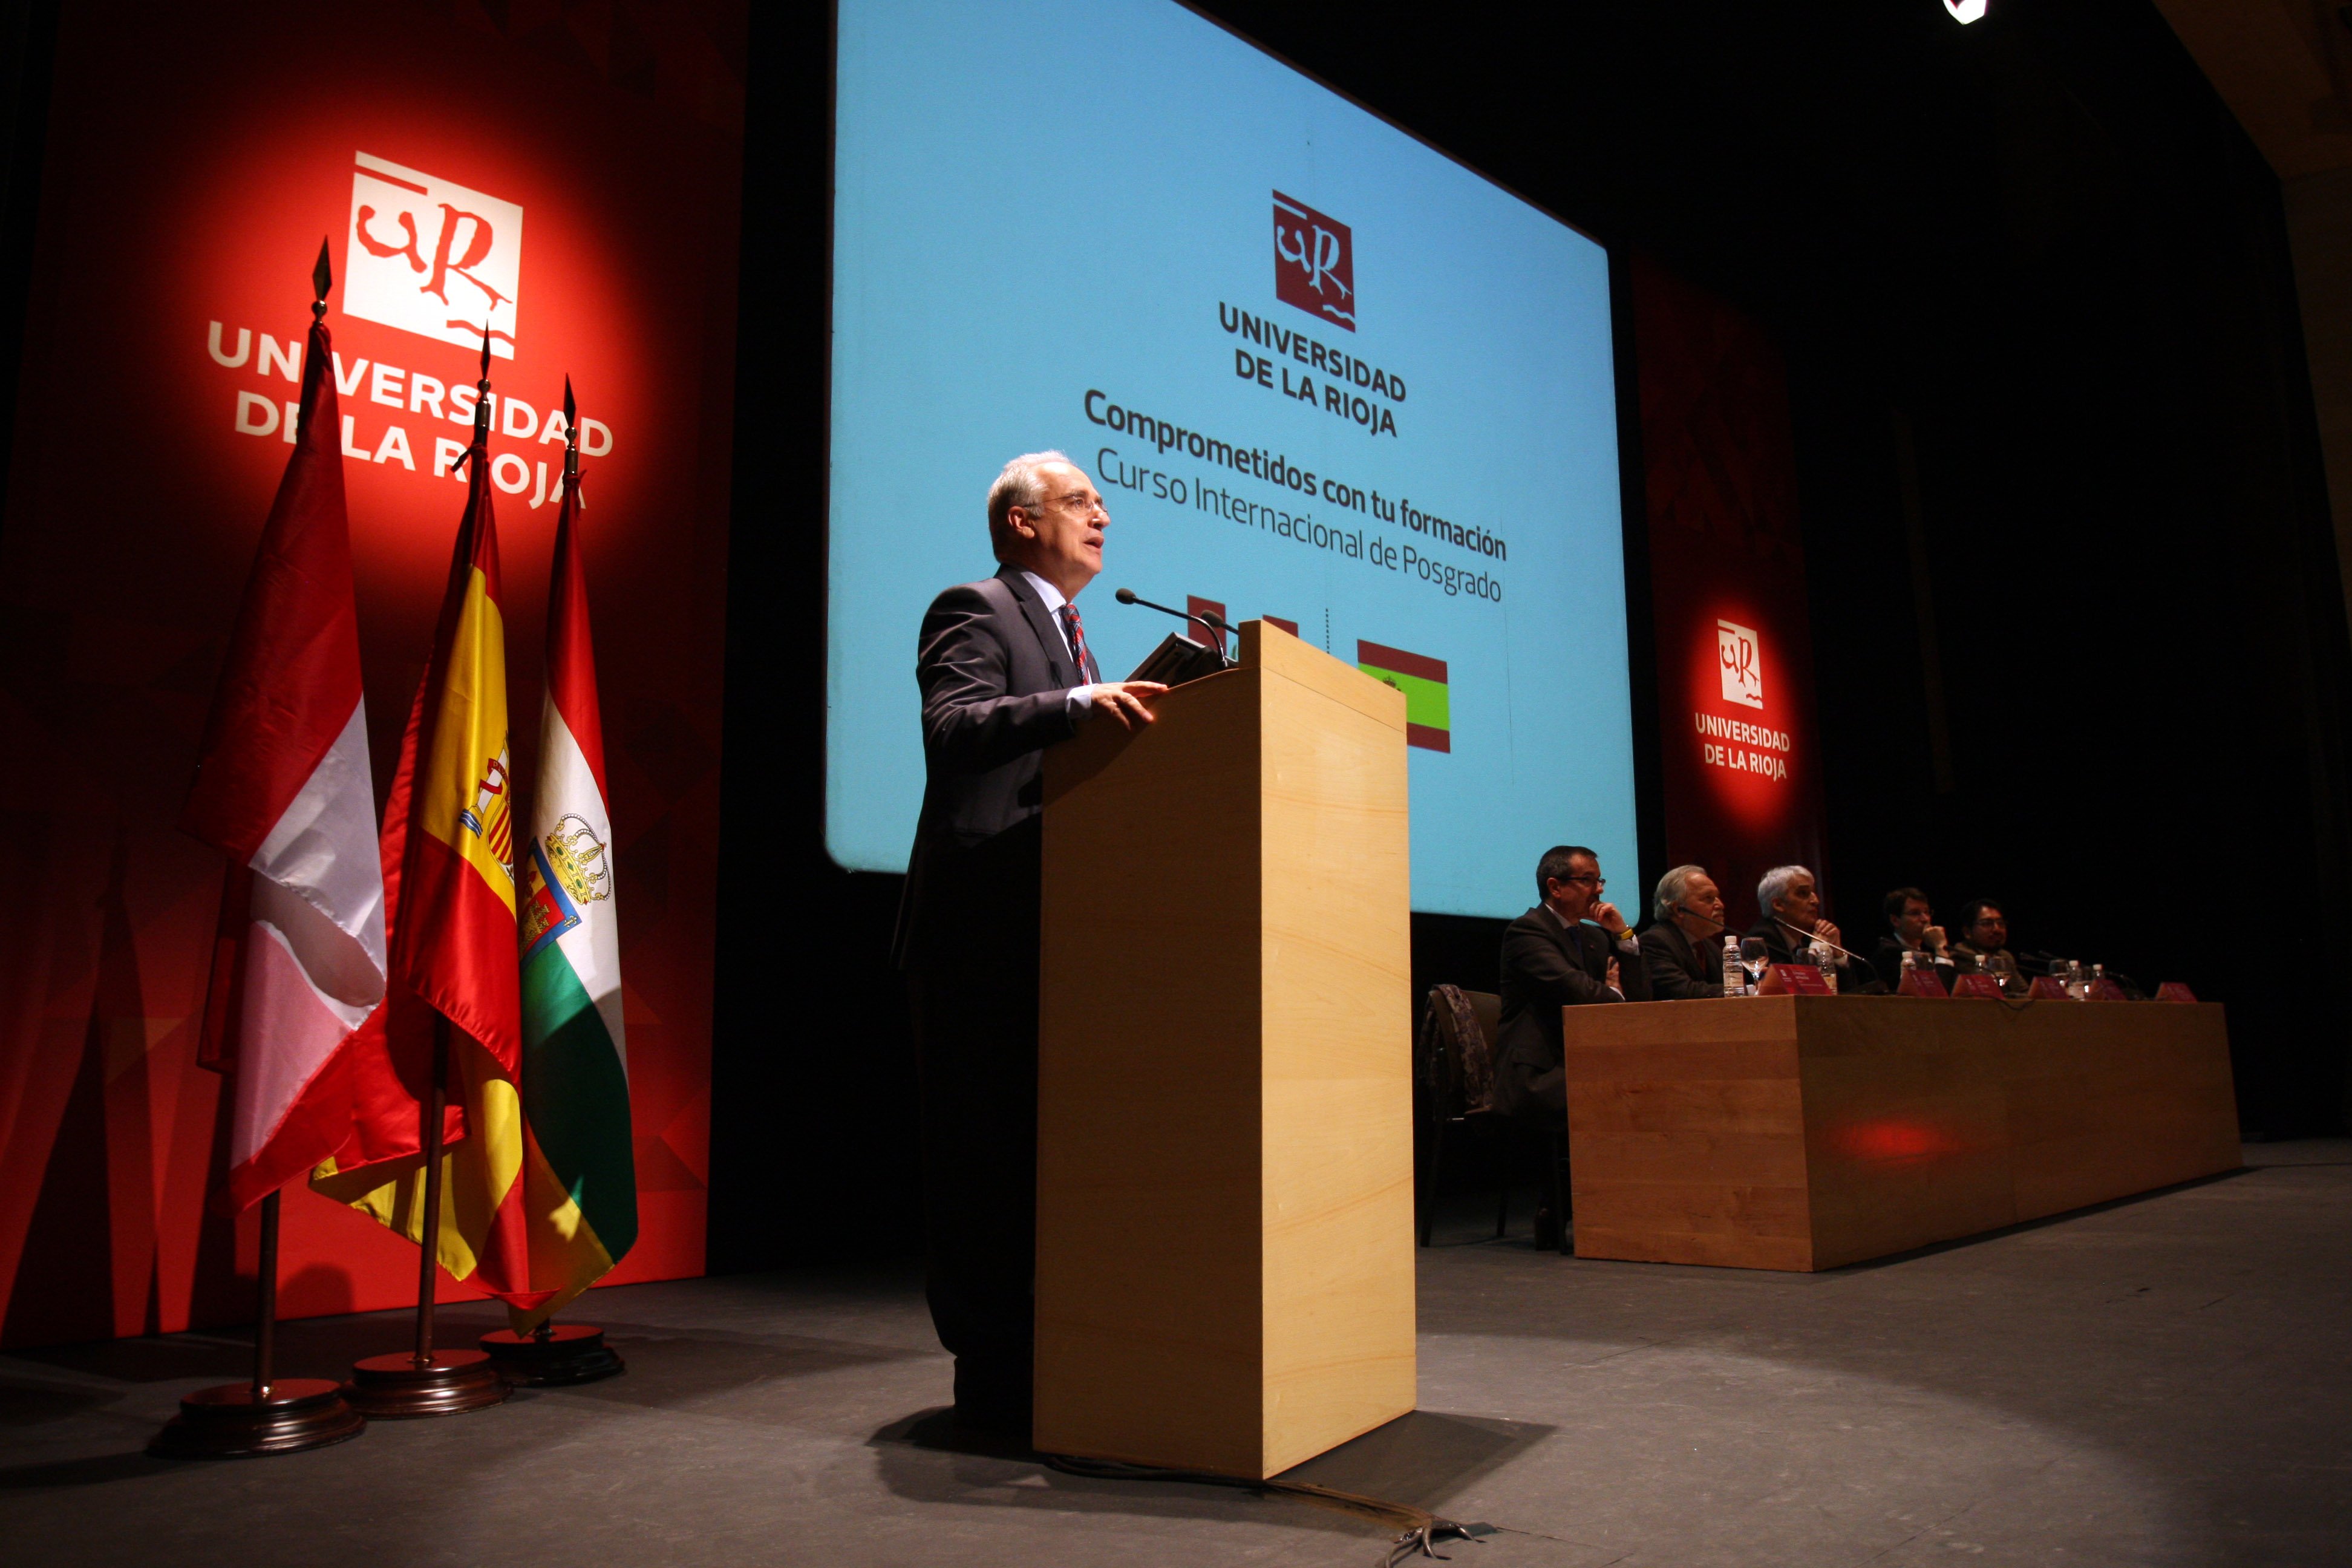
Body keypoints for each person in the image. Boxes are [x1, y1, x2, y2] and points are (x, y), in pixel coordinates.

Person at [891, 451, 1168, 1440]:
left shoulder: (1081, 638)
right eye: (1080, 500)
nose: (1103, 513)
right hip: (978, 935)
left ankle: (1062, 1363)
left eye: (1100, 501)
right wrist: (1075, 707)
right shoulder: (973, 607)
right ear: (1018, 522)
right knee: (983, 1164)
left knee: (1054, 1165)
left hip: (1061, 937)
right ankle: (992, 1385)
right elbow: (952, 726)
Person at [1494, 845, 1650, 1126]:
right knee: (1631, 1088)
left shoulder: (1595, 937)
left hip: (1581, 1062)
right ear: (1555, 887)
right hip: (1540, 1074)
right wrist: (1615, 993)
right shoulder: (1527, 931)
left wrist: (1623, 934)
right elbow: (1576, 990)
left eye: (1599, 881)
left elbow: (1638, 1001)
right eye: (1588, 880)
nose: (1599, 890)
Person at [1746, 864, 1878, 993]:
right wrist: (1817, 948)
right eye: (1803, 894)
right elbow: (1802, 991)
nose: (1816, 901)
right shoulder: (1762, 939)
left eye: (1813, 893)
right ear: (1778, 904)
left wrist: (1838, 956)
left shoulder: (1806, 938)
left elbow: (1850, 992)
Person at [1640, 864, 1730, 999]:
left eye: (1717, 897)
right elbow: (1682, 992)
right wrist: (1744, 991)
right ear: (1678, 909)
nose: (1720, 905)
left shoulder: (1710, 948)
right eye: (1708, 898)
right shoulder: (1654, 942)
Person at [1872, 886, 1954, 992]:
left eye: (1927, 912)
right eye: (1915, 913)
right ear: (1895, 920)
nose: (1925, 919)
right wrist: (1940, 947)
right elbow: (1937, 993)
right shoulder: (1888, 953)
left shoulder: (1927, 950)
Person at [1952, 900, 2020, 987]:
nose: (1997, 929)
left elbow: (2023, 990)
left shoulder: (2005, 956)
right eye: (1987, 924)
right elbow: (1987, 990)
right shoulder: (1962, 955)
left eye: (2000, 923)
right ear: (1967, 932)